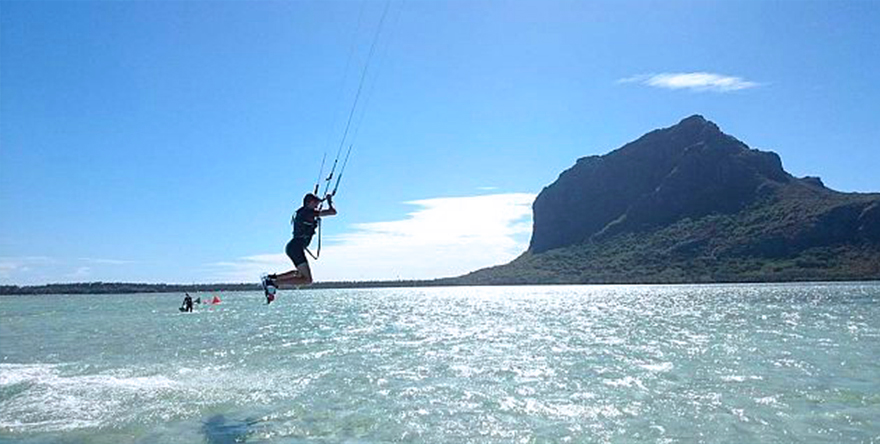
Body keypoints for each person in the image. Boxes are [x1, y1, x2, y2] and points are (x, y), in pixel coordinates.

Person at [262, 193, 337, 300]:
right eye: (316, 203)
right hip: (295, 248)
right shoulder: (308, 212)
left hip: (294, 247)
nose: (317, 205)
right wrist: (330, 200)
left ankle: (271, 278)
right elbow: (333, 212)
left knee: (298, 274)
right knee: (307, 280)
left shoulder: (304, 212)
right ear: (310, 202)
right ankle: (273, 283)